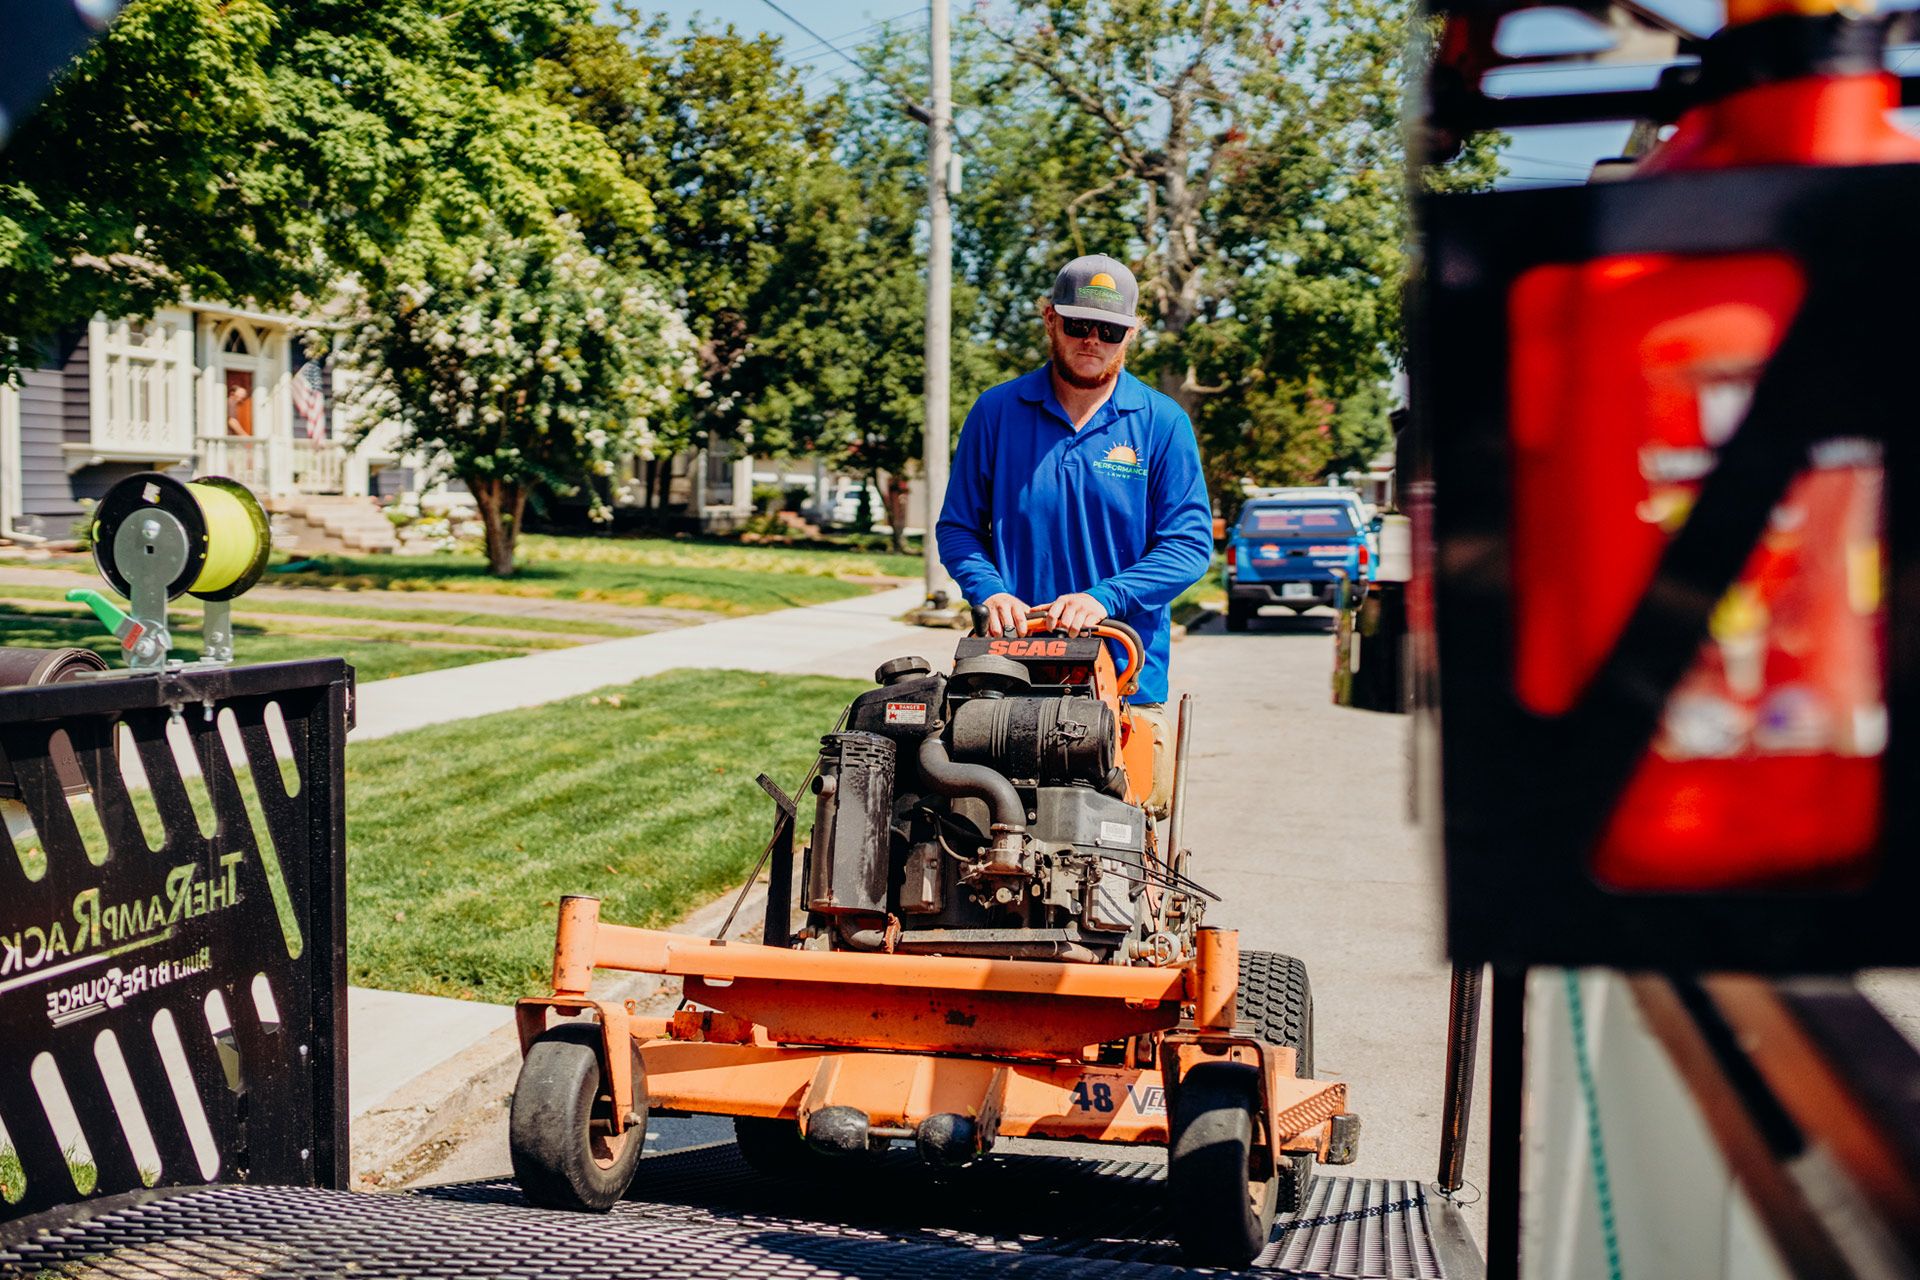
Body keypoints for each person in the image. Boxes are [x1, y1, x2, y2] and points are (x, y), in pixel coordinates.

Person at [935, 254, 1213, 808]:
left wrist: (1101, 598)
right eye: (1078, 324)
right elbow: (959, 528)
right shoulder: (996, 411)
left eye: (1109, 330)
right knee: (984, 840)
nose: (1093, 340)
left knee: (1119, 858)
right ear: (1049, 319)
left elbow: (1188, 546)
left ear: (1130, 334)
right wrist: (989, 591)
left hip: (1126, 682)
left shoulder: (1161, 423)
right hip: (1007, 674)